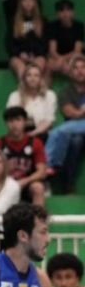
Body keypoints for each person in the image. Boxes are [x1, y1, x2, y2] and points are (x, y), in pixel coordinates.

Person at [0, 106, 48, 206]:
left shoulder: (35, 143)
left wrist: (25, 181)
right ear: (6, 123)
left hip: (28, 184)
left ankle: (38, 215)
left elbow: (42, 172)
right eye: (11, 121)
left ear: (25, 122)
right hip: (6, 184)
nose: (14, 124)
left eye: (18, 120)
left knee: (38, 188)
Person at [46, 54, 85, 192]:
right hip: (75, 131)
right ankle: (68, 185)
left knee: (57, 133)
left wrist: (80, 112)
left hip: (75, 127)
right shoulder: (65, 93)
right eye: (76, 68)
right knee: (75, 141)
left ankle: (48, 165)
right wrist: (81, 112)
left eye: (83, 67)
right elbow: (71, 114)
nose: (80, 71)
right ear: (70, 72)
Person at [5, 64, 57, 141]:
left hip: (43, 133)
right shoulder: (14, 96)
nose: (33, 78)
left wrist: (32, 134)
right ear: (24, 79)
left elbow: (49, 120)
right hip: (20, 133)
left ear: (41, 79)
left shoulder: (49, 95)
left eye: (36, 75)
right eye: (29, 75)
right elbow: (11, 118)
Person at [8, 0, 47, 81]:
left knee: (36, 69)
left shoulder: (43, 21)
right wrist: (20, 54)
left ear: (35, 2)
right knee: (21, 68)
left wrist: (34, 55)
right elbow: (9, 43)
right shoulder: (13, 21)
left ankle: (35, 89)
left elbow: (45, 43)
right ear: (21, 3)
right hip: (18, 56)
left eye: (31, 0)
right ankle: (23, 88)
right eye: (25, 0)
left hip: (37, 56)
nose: (28, 3)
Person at [46, 0, 84, 79]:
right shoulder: (52, 26)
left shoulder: (79, 26)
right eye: (62, 10)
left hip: (73, 56)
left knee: (78, 61)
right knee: (50, 64)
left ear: (73, 12)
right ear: (57, 14)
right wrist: (60, 60)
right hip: (56, 56)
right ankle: (44, 87)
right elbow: (52, 50)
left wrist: (62, 59)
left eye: (68, 10)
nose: (65, 13)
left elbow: (77, 50)